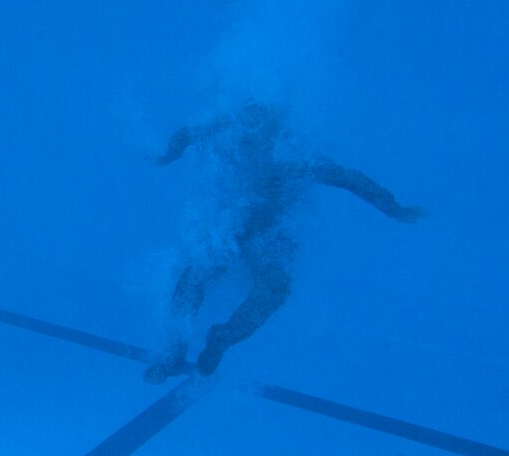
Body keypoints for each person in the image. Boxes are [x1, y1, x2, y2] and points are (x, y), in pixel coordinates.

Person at [144, 101, 424, 383]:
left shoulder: (294, 155)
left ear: (275, 125)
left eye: (259, 121)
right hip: (231, 221)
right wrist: (170, 154)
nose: (249, 127)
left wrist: (392, 207)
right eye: (246, 116)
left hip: (270, 233)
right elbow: (186, 135)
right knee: (194, 276)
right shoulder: (226, 127)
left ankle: (223, 337)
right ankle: (173, 351)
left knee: (275, 286)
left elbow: (347, 177)